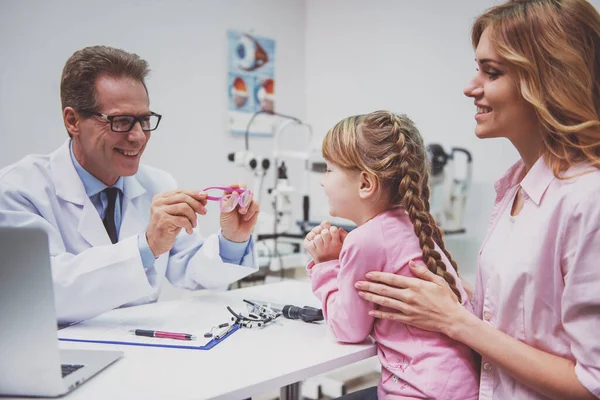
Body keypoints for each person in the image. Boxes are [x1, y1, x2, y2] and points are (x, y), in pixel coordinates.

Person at [354, 1, 600, 399]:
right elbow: (517, 315)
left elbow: (591, 383)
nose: (471, 87)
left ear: (551, 79)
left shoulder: (587, 200)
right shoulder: (517, 186)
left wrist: (454, 320)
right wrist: (441, 290)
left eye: (492, 72)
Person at [0, 46, 260, 325]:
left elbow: (189, 267)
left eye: (144, 120)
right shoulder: (19, 190)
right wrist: (145, 247)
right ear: (73, 120)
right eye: (121, 121)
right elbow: (39, 291)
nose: (138, 137)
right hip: (60, 357)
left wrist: (232, 239)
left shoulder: (157, 183)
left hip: (145, 351)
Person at [303, 111, 479, 399]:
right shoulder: (415, 226)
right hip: (461, 387)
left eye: (329, 170)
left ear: (365, 183)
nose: (323, 181)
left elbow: (348, 330)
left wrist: (325, 265)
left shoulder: (364, 241)